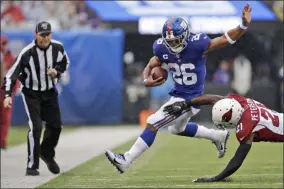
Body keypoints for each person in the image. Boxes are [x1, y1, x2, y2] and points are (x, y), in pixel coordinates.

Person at [105, 4, 252, 174]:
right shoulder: (161, 47)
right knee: (176, 129)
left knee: (153, 121)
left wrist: (243, 25)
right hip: (178, 94)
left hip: (192, 97)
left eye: (175, 40)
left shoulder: (197, 45)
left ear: (185, 36)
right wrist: (147, 79)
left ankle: (127, 159)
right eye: (169, 42)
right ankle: (218, 136)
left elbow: (226, 39)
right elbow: (152, 63)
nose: (172, 44)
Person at [163, 93, 283, 182]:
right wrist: (187, 104)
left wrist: (216, 178)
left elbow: (237, 160)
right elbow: (214, 99)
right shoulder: (241, 103)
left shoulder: (248, 124)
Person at [3, 21, 70, 176]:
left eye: (48, 34)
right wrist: (7, 95)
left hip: (49, 91)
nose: (45, 38)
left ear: (51, 35)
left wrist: (57, 71)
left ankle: (46, 153)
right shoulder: (27, 52)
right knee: (36, 126)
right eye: (42, 35)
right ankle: (32, 165)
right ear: (36, 35)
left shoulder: (57, 47)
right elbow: (11, 74)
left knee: (56, 126)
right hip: (31, 93)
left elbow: (65, 62)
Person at [0, 35, 18, 149]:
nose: (3, 46)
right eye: (2, 43)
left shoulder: (11, 57)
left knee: (5, 117)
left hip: (6, 92)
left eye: (5, 43)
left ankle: (2, 142)